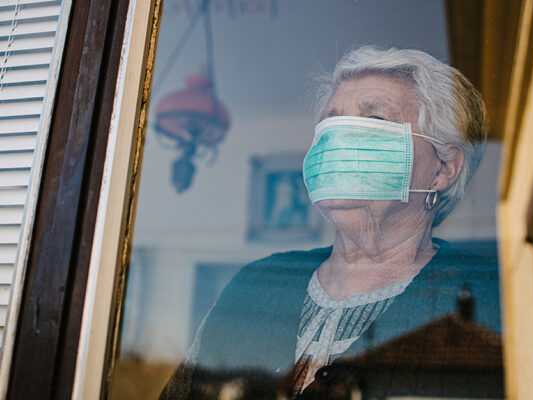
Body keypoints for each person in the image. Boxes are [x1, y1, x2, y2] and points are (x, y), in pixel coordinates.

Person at [160, 46, 501, 400]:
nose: (339, 139)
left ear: (443, 169)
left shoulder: (494, 299)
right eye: (331, 122)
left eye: (374, 120)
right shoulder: (256, 284)